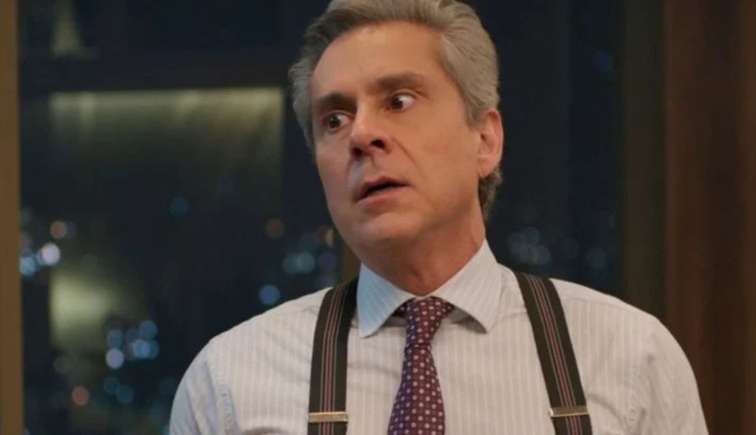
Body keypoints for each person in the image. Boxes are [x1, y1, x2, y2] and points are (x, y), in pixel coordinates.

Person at [170, 1, 708, 434]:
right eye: (334, 119)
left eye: (399, 101)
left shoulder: (629, 356)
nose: (361, 134)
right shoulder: (230, 383)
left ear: (485, 139)